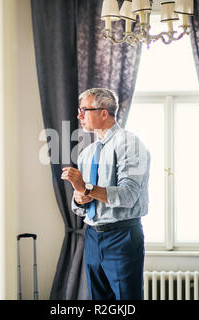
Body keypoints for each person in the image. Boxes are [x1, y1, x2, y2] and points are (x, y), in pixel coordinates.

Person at [61, 88, 151, 300]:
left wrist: (86, 188)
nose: (79, 116)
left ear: (104, 113)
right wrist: (79, 198)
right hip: (92, 236)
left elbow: (128, 196)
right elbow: (80, 202)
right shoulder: (87, 153)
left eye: (84, 110)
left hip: (122, 236)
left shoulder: (131, 144)